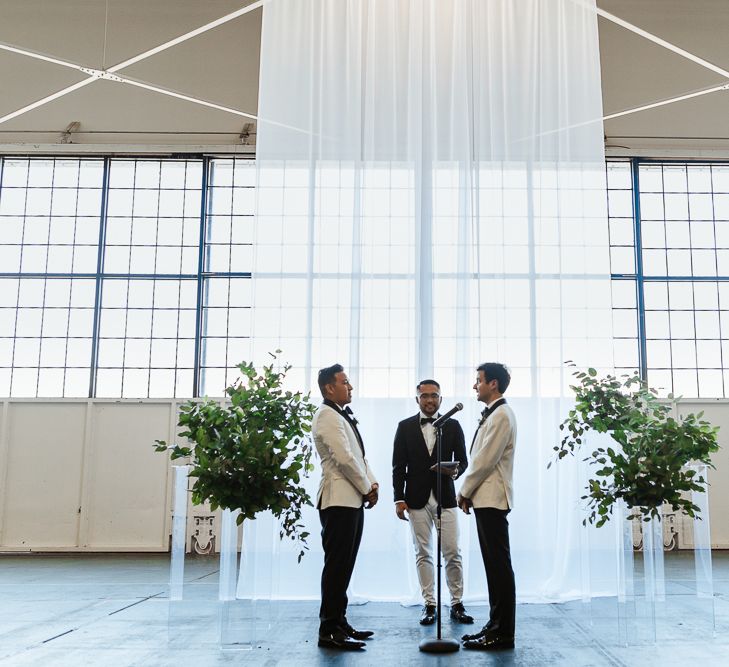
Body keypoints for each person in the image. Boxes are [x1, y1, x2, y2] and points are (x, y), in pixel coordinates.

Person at [392, 379, 473, 626]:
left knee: (452, 551)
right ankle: (430, 605)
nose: (429, 400)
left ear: (441, 399)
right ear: (417, 399)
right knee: (422, 553)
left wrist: (453, 471)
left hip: (445, 497)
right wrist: (399, 498)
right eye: (424, 396)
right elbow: (398, 467)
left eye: (434, 395)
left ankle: (457, 603)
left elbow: (463, 461)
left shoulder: (453, 425)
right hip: (415, 499)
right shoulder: (404, 427)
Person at [312, 364, 379, 651]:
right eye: (345, 382)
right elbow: (343, 458)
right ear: (329, 387)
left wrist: (372, 484)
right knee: (337, 566)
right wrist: (366, 487)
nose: (350, 387)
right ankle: (328, 629)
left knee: (345, 565)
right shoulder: (326, 415)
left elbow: (359, 457)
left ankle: (339, 622)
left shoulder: (339, 415)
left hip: (351, 499)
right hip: (338, 500)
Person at [457, 362, 517, 651]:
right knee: (494, 567)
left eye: (478, 380)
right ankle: (495, 625)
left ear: (493, 383)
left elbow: (484, 461)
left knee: (499, 567)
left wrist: (463, 491)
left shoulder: (502, 415)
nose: (475, 385)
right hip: (486, 499)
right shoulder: (496, 414)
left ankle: (502, 632)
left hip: (492, 499)